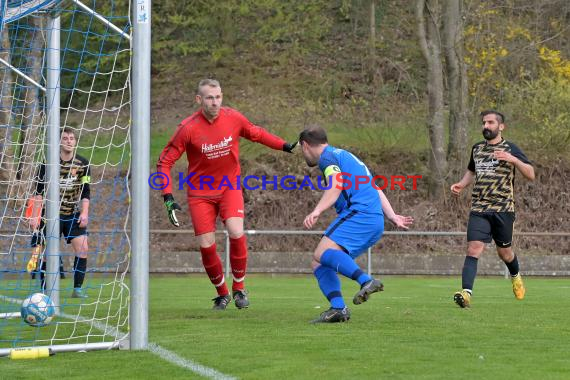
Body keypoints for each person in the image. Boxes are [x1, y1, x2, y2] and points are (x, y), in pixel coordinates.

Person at [156, 79, 296, 310]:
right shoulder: (187, 128)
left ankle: (239, 287)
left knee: (235, 230)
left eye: (218, 97)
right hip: (200, 193)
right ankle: (222, 293)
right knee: (206, 243)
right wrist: (168, 196)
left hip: (229, 187)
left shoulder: (233, 118)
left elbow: (257, 133)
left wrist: (284, 145)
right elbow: (164, 163)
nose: (215, 102)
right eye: (210, 98)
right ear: (199, 100)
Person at [299, 125, 413, 323]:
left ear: (305, 145)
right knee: (319, 261)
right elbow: (375, 188)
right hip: (374, 219)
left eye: (301, 150)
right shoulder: (346, 156)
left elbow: (336, 185)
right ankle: (338, 309)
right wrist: (392, 216)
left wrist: (317, 210)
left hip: (359, 214)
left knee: (320, 253)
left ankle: (366, 281)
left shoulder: (327, 158)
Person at [451, 110, 535, 308]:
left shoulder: (511, 148)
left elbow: (530, 174)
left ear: (501, 126)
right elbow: (472, 170)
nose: (486, 126)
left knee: (504, 252)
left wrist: (512, 159)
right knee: (474, 248)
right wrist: (462, 184)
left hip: (503, 208)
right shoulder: (477, 149)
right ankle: (466, 294)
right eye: (484, 123)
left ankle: (515, 276)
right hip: (479, 207)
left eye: (490, 122)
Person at [27, 126, 91, 298]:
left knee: (83, 248)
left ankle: (77, 289)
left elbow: (86, 192)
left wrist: (84, 213)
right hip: (50, 215)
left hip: (72, 214)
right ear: (59, 142)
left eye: (71, 138)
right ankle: (44, 292)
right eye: (65, 138)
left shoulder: (83, 164)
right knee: (48, 254)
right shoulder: (47, 164)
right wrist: (35, 216)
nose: (69, 141)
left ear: (75, 141)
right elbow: (38, 193)